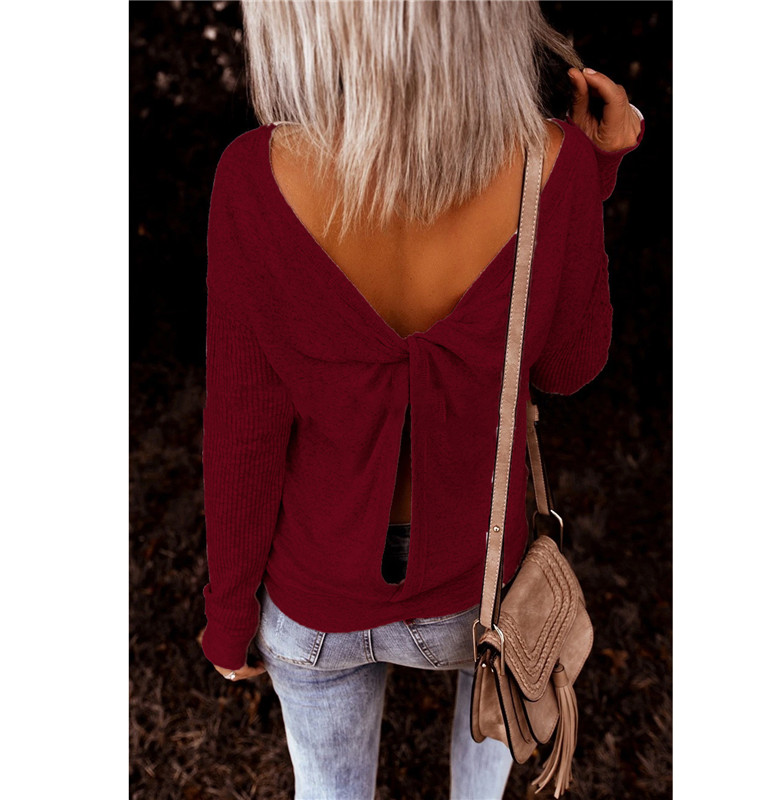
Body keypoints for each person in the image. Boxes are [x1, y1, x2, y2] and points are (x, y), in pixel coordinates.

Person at [198, 2, 644, 798]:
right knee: (494, 748)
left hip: (315, 593)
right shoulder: (552, 163)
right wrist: (592, 172)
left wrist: (229, 615)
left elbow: (243, 435)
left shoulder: (254, 174)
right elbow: (567, 367)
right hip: (479, 587)